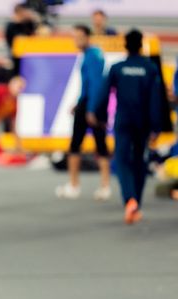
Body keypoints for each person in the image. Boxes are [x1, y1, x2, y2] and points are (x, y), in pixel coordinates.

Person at [94, 29, 162, 224]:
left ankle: (129, 199)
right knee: (139, 160)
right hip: (143, 122)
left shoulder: (117, 67)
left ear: (125, 45)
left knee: (122, 160)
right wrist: (156, 126)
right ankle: (136, 205)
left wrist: (99, 116)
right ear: (141, 45)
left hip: (123, 120)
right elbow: (155, 98)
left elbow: (103, 94)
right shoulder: (150, 68)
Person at [55, 24, 111, 200]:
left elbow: (96, 84)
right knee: (85, 144)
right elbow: (87, 85)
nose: (76, 40)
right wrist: (78, 103)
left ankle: (84, 186)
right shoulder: (89, 54)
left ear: (87, 37)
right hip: (88, 103)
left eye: (79, 36)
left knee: (92, 145)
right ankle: (89, 186)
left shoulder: (93, 55)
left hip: (93, 105)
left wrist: (91, 109)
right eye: (75, 36)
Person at [4, 3, 38, 76]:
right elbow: (15, 42)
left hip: (28, 57)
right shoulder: (11, 26)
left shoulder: (28, 24)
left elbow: (34, 36)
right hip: (17, 58)